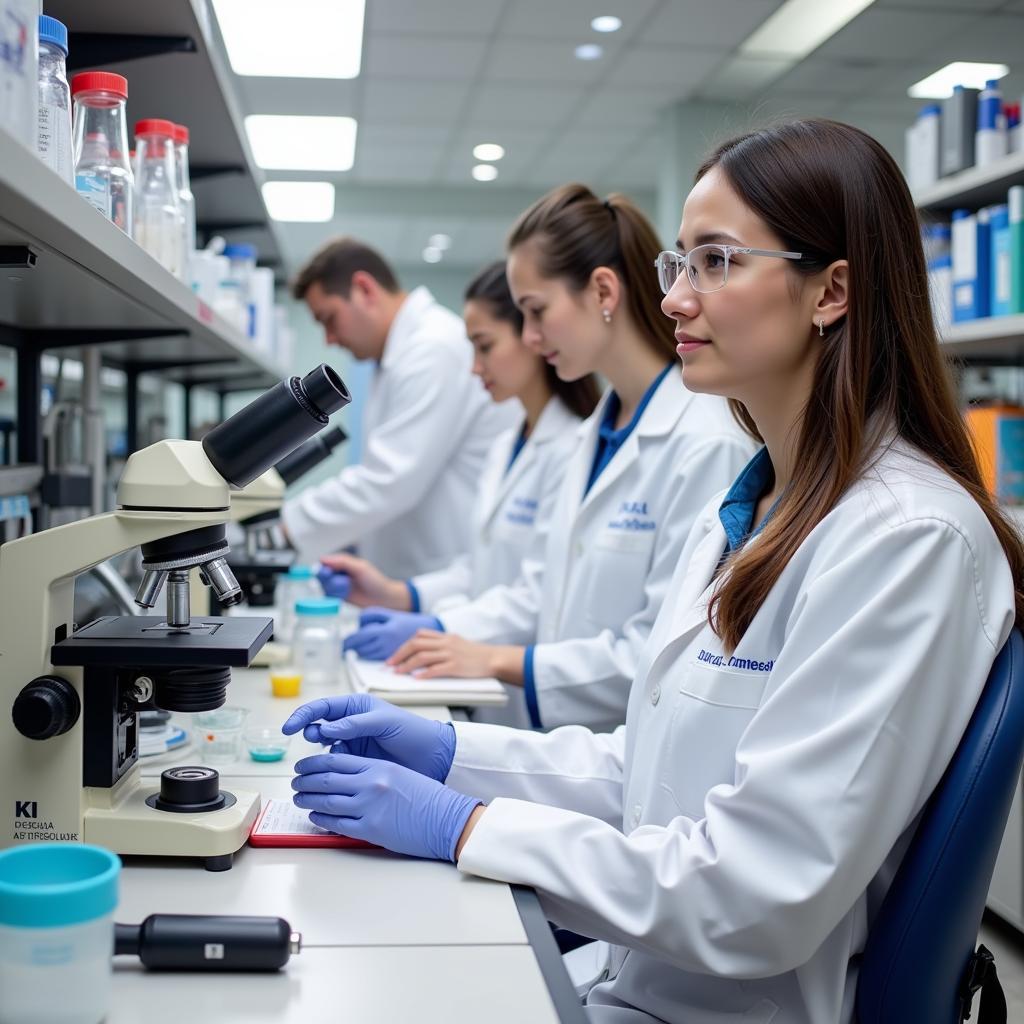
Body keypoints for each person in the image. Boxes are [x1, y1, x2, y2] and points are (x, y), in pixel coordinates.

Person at [282, 120, 1024, 1023]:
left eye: (715, 261)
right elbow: (655, 772)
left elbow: (756, 894)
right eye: (679, 264)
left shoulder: (908, 540)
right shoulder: (758, 511)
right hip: (648, 978)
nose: (673, 297)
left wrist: (462, 826)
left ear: (833, 291)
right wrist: (452, 755)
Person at [342, 184, 753, 732]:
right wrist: (430, 620)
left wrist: (493, 658)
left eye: (536, 312)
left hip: (627, 760)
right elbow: (542, 589)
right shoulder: (594, 436)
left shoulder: (705, 441)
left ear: (603, 291)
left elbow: (663, 654)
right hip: (560, 743)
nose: (531, 338)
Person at [317, 260, 600, 634]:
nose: (474, 368)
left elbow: (539, 596)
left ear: (533, 337)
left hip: (520, 673)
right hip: (482, 667)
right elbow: (478, 568)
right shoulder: (506, 445)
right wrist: (396, 594)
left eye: (485, 347)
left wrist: (439, 624)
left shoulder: (571, 448)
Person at [280, 238, 517, 579]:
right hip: (415, 573)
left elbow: (389, 479)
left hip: (444, 574)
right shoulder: (395, 359)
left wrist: (283, 526)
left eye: (329, 319)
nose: (329, 339)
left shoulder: (433, 348)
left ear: (364, 289)